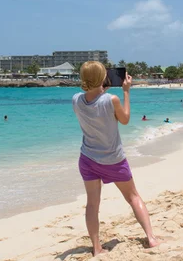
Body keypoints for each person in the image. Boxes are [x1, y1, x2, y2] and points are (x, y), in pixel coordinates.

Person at [72, 61, 159, 255]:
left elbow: (92, 107)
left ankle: (96, 248)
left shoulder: (76, 99)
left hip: (88, 158)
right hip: (113, 159)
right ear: (102, 77)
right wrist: (126, 92)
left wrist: (100, 90)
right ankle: (151, 239)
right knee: (133, 196)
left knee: (93, 203)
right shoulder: (111, 99)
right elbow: (125, 119)